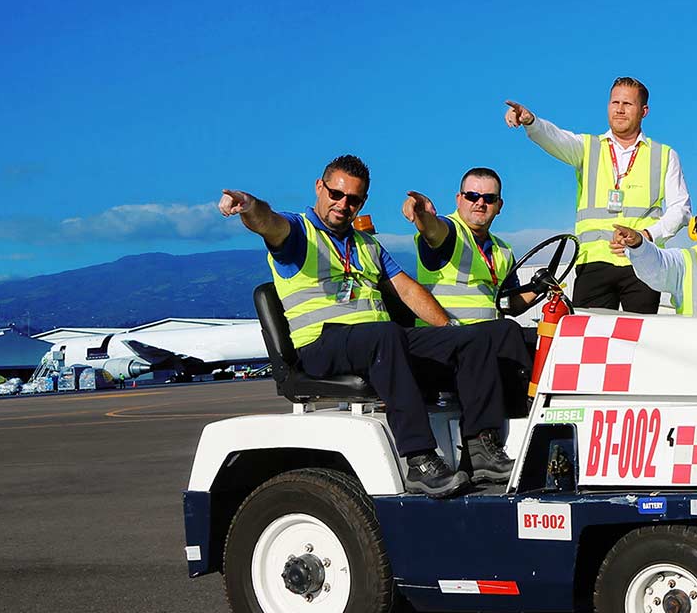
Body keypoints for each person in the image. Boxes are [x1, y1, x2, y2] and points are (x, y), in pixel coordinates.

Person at [218, 154, 520, 499]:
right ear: (319, 188)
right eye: (336, 194)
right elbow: (268, 222)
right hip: (321, 345)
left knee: (472, 338)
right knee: (386, 335)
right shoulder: (299, 233)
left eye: (354, 199)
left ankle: (481, 448)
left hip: (376, 343)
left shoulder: (367, 245)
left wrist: (450, 329)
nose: (343, 204)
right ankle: (420, 459)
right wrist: (248, 206)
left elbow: (407, 290)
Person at [504, 77, 690, 312]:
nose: (619, 109)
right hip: (593, 263)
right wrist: (532, 122)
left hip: (642, 261)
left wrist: (646, 236)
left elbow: (681, 209)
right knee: (591, 332)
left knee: (639, 334)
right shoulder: (587, 147)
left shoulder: (664, 155)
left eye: (627, 104)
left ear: (644, 111)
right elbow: (556, 138)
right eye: (615, 102)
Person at [401, 167, 542, 325]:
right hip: (445, 336)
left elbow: (509, 305)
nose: (480, 203)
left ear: (499, 205)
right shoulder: (451, 231)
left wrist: (538, 287)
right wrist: (422, 215)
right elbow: (433, 232)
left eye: (489, 198)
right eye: (472, 196)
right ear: (459, 199)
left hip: (492, 335)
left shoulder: (503, 250)